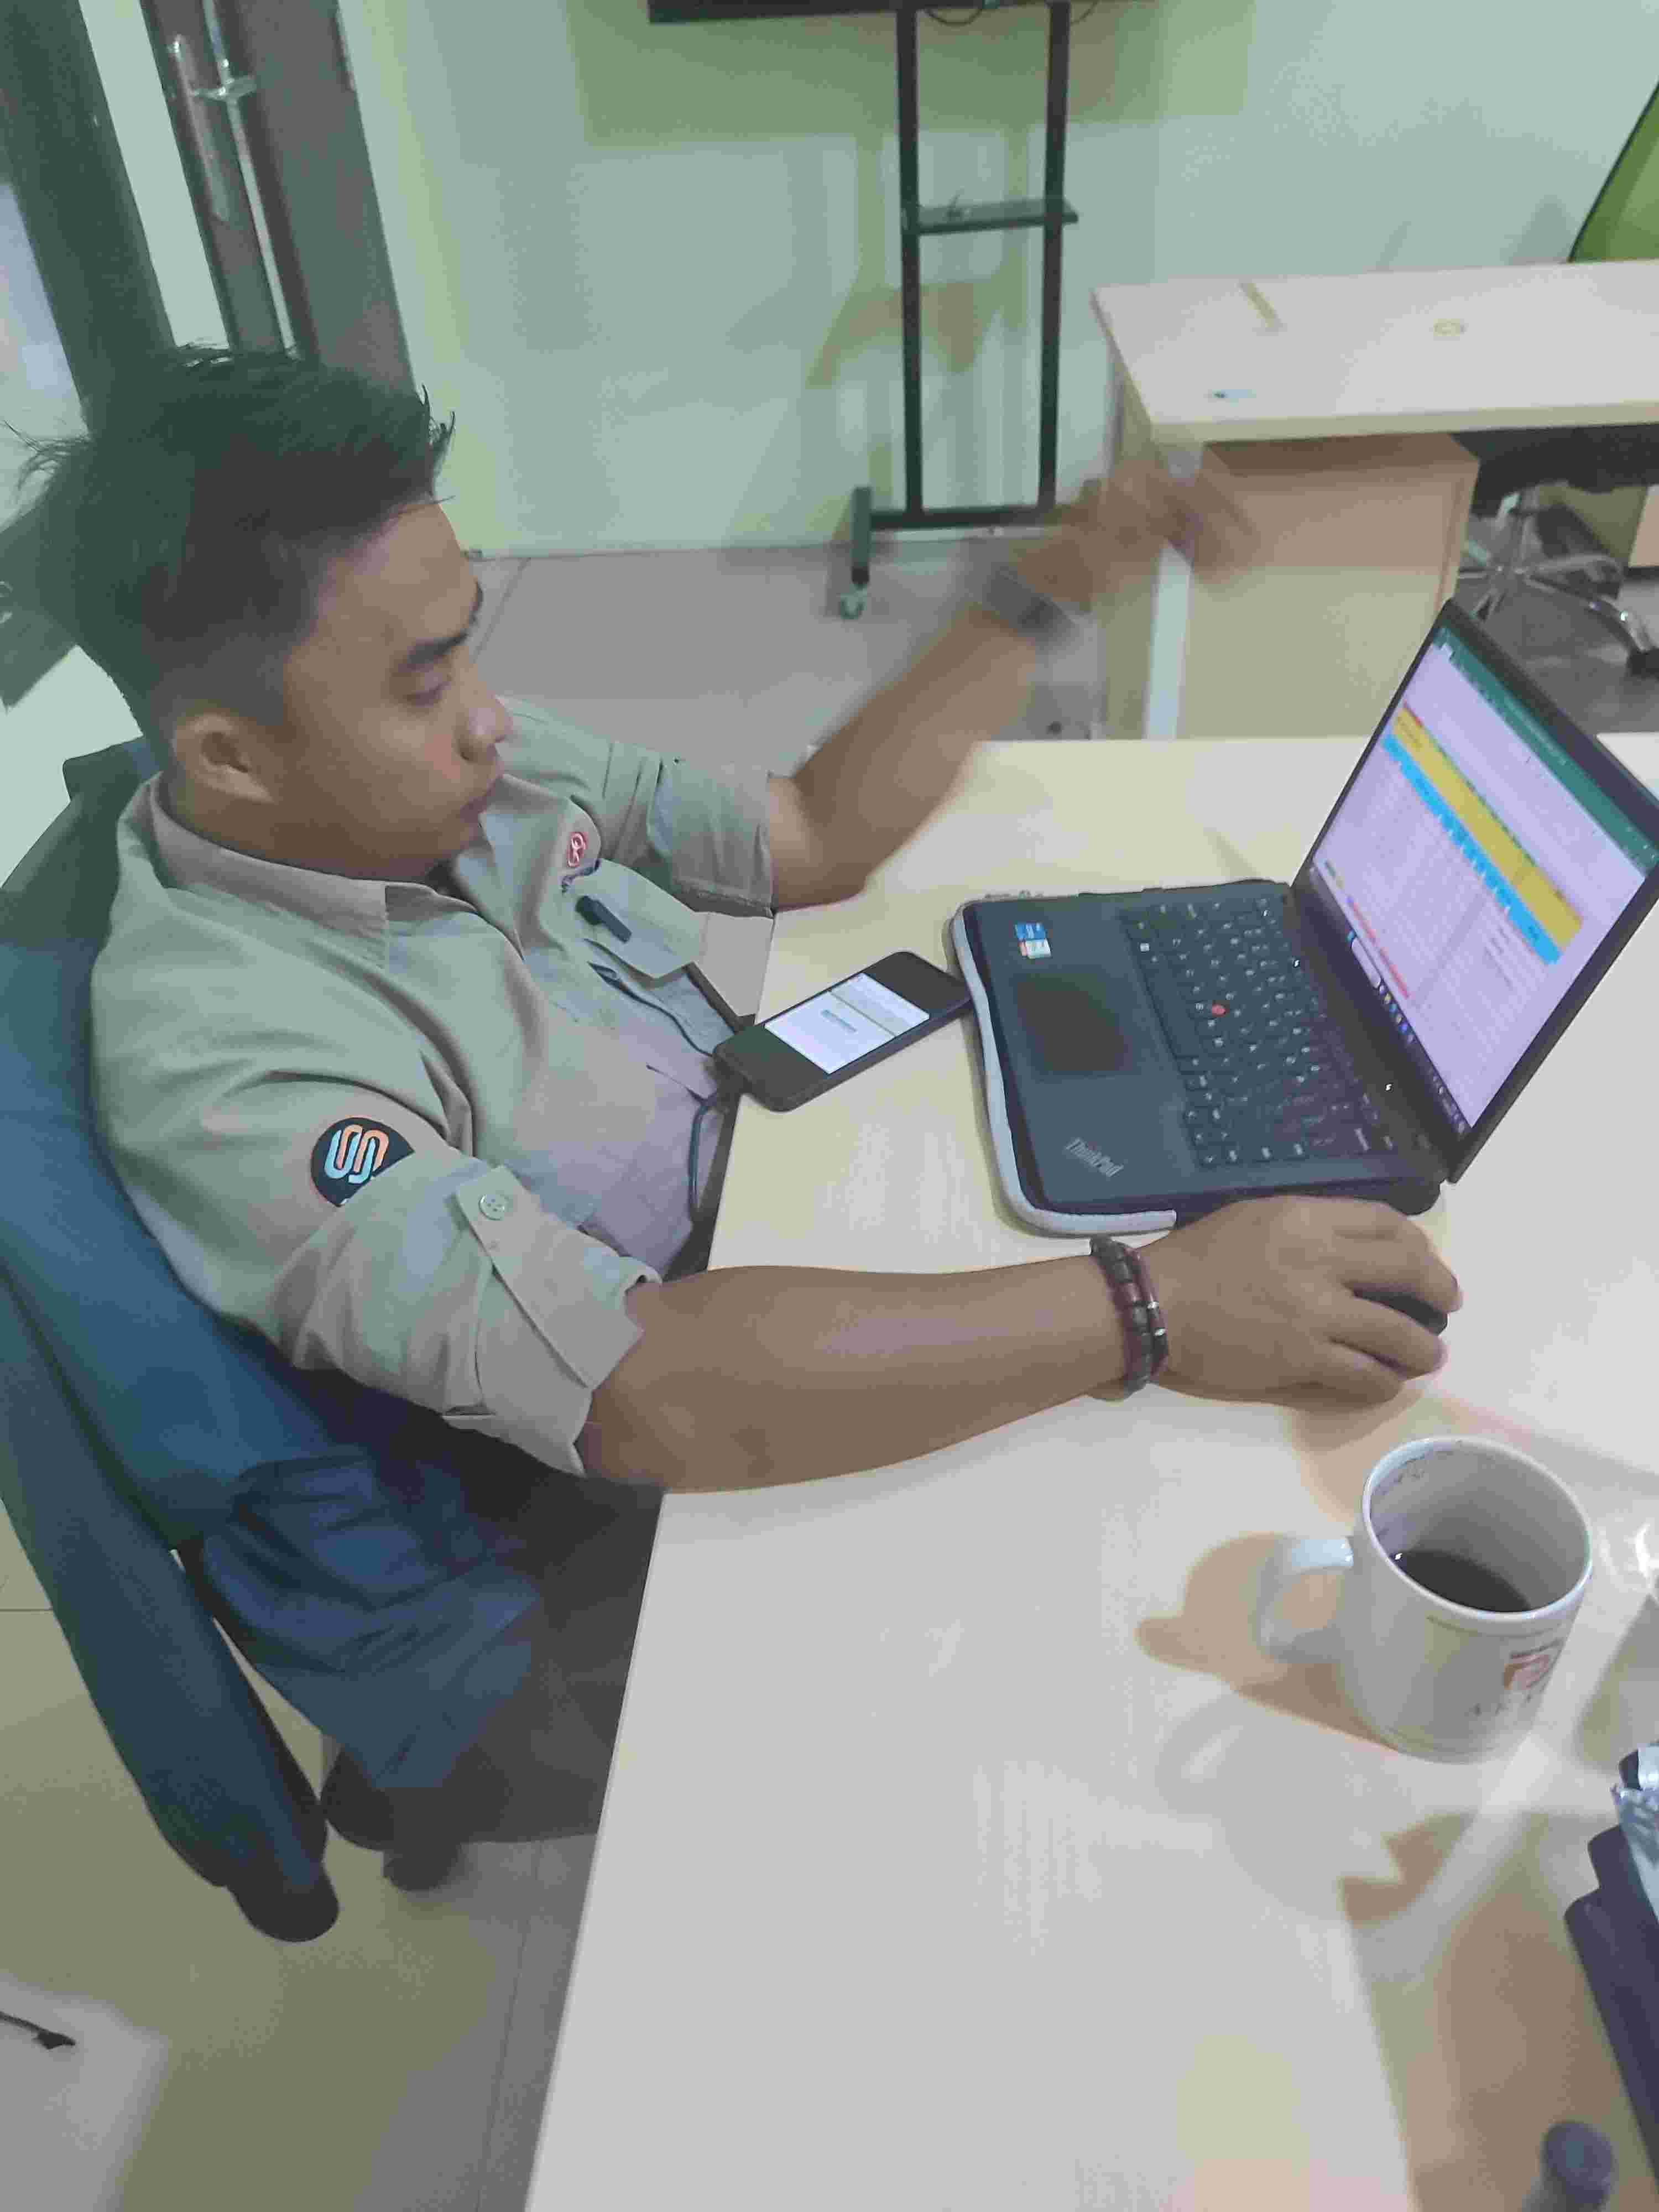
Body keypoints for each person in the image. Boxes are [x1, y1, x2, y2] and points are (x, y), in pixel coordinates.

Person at [2, 345, 1461, 1877]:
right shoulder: (232, 1066)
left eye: (468, 647)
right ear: (230, 757)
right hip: (605, 1463)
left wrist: (1035, 596)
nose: (493, 722)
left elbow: (805, 831)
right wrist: (1150, 1304)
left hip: (747, 1229)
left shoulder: (448, 781)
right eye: (424, 682)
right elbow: (638, 1387)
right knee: (1132, 1644)